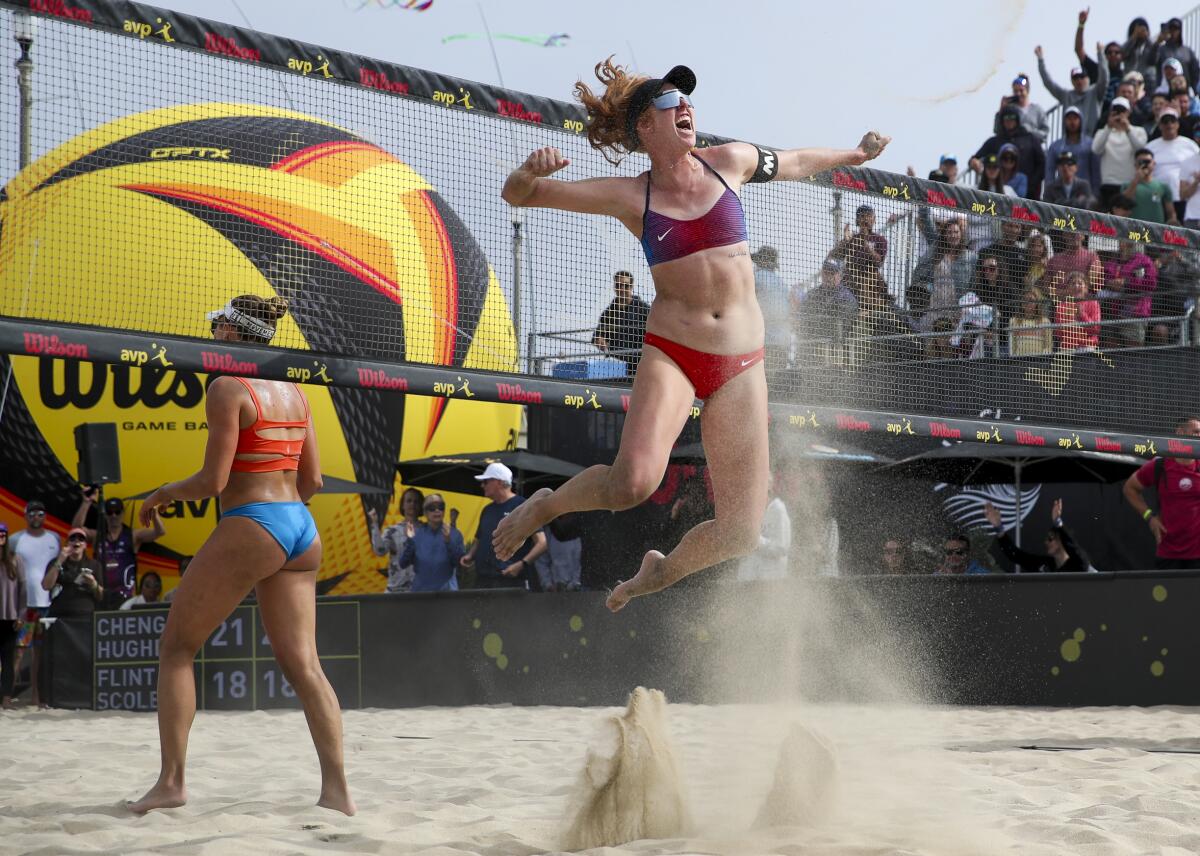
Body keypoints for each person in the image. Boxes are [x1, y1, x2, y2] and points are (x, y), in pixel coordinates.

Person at [495, 60, 889, 611]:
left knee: (741, 534)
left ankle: (661, 572)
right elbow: (521, 196)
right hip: (674, 354)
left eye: (687, 100)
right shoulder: (632, 196)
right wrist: (527, 172)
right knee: (630, 484)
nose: (684, 108)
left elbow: (797, 161)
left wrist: (855, 156)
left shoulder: (730, 161)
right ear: (644, 129)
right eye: (668, 103)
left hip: (742, 363)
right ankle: (545, 505)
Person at [129, 294, 353, 815]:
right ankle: (338, 792)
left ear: (234, 333)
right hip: (301, 526)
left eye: (220, 327)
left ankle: (171, 783)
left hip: (255, 522)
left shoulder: (228, 386)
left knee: (177, 650)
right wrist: (281, 514)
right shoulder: (296, 390)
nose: (213, 335)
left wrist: (163, 493)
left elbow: (213, 481)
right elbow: (313, 480)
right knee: (306, 667)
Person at [1123, 416, 1200, 569]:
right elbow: (1129, 488)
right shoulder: (1160, 465)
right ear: (1180, 432)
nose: (1199, 436)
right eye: (1196, 432)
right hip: (1168, 554)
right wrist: (1149, 517)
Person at [72, 489, 166, 611]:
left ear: (122, 513)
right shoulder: (97, 536)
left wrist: (154, 513)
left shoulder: (133, 536)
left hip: (125, 597)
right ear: (105, 514)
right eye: (110, 512)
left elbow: (160, 532)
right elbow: (76, 529)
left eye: (117, 512)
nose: (114, 516)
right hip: (100, 594)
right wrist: (86, 502)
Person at [460, 462, 547, 589]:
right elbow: (479, 539)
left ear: (499, 482)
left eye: (486, 481)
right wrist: (470, 555)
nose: (482, 485)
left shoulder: (522, 505)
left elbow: (542, 543)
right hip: (483, 580)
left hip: (510, 581)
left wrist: (521, 564)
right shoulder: (487, 509)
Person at [10, 500, 60, 709]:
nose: (36, 517)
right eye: (32, 514)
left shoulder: (54, 539)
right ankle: (6, 695)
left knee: (39, 652)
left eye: (40, 514)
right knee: (19, 650)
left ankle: (36, 697)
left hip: (46, 604)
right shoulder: (15, 540)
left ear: (45, 516)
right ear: (25, 516)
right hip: (24, 605)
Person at [984, 499, 1089, 572]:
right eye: (1046, 539)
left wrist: (1058, 523)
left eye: (1050, 538)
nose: (1046, 542)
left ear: (1062, 539)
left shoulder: (1078, 563)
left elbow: (1074, 549)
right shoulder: (1046, 564)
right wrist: (998, 526)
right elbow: (1016, 555)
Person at [1037, 43, 1109, 135]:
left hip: (1092, 141)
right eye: (1076, 78)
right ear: (1072, 81)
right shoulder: (1066, 95)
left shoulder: (1095, 92)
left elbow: (1104, 78)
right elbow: (1048, 82)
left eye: (1082, 77)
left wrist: (1101, 54)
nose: (1079, 81)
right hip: (1070, 143)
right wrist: (1040, 60)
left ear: (1088, 79)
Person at [399, 494, 464, 592]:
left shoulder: (455, 534)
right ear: (425, 512)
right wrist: (410, 541)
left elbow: (460, 564)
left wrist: (448, 542)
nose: (437, 510)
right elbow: (403, 563)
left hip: (446, 596)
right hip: (420, 595)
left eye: (440, 507)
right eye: (432, 507)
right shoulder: (416, 534)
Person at [592, 270, 651, 377]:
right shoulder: (608, 313)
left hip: (639, 365)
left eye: (626, 286)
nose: (622, 289)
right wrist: (599, 340)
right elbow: (598, 335)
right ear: (615, 287)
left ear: (632, 287)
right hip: (616, 367)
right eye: (619, 285)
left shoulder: (644, 310)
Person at [1093, 96, 1148, 208]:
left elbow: (1140, 149)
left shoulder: (1138, 131)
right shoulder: (1102, 132)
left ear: (1128, 112)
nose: (1119, 114)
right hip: (1109, 184)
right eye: (1116, 111)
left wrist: (1127, 128)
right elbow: (1096, 149)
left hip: (1130, 184)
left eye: (1122, 111)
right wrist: (1108, 127)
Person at [735, 474, 791, 581]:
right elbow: (739, 550)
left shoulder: (778, 510)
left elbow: (782, 547)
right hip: (746, 580)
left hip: (769, 582)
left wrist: (756, 540)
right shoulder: (748, 511)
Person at [1102, 239, 1156, 347]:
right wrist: (1109, 283)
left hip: (1135, 312)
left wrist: (1126, 283)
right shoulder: (1113, 261)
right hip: (1112, 312)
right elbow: (1102, 278)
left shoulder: (1144, 261)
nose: (1119, 242)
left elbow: (1151, 284)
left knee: (1132, 353)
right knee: (1110, 348)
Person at [1146, 109, 1199, 221]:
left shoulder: (1190, 145)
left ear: (1177, 124)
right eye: (1165, 122)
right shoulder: (1151, 147)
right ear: (1160, 125)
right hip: (1159, 197)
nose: (1169, 124)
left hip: (1184, 196)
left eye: (1172, 121)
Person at [368, 487, 423, 593]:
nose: (412, 504)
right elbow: (380, 551)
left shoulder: (427, 530)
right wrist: (374, 524)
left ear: (421, 506)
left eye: (416, 501)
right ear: (402, 505)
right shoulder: (392, 530)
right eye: (409, 501)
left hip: (419, 591)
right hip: (395, 590)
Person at [45, 528, 104, 617]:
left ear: (85, 545)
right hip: (60, 617)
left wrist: (93, 584)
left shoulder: (94, 565)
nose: (77, 541)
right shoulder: (56, 562)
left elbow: (101, 596)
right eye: (72, 539)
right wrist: (60, 561)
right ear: (67, 543)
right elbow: (46, 586)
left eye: (81, 539)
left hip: (85, 617)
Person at [750, 245, 791, 375]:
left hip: (763, 343)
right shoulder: (782, 283)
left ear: (763, 261)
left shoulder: (756, 278)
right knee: (776, 385)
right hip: (783, 342)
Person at [1045, 106, 1101, 192]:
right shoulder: (1055, 146)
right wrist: (1049, 194)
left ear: (1081, 120)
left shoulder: (1091, 144)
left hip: (1085, 194)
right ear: (1064, 122)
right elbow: (1049, 172)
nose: (1072, 122)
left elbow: (1096, 172)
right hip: (1062, 194)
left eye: (1075, 118)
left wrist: (1096, 194)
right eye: (1069, 119)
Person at [1123, 148, 1178, 224]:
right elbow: (1123, 204)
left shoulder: (1162, 186)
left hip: (1156, 231)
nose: (1144, 165)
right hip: (1134, 230)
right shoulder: (1127, 185)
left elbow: (1170, 212)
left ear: (1154, 163)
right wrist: (1136, 180)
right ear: (1135, 165)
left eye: (1147, 161)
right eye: (1141, 162)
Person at [992, 73, 1050, 144]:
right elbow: (997, 130)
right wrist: (1002, 109)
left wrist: (1029, 131)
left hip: (1032, 149)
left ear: (1027, 91)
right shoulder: (1009, 110)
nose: (1018, 94)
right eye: (1015, 91)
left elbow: (1045, 134)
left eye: (1021, 90)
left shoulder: (1037, 110)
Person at [1054, 270, 1101, 352]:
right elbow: (1058, 333)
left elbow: (1096, 329)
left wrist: (1082, 315)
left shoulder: (1093, 303)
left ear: (1086, 288)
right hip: (1068, 346)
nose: (1076, 286)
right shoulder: (1061, 306)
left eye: (1080, 283)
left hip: (1087, 346)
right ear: (1068, 288)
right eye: (1073, 283)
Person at [0, 523, 19, 709]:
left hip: (10, 617)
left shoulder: (15, 559)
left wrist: (21, 615)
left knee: (8, 659)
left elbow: (23, 588)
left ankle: (6, 697)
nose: (0, 537)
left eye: (3, 534)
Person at [1009, 289, 1055, 356]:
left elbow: (1048, 346)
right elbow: (1012, 347)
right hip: (1019, 361)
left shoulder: (1045, 321)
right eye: (1025, 300)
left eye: (1031, 300)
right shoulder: (1014, 321)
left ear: (1037, 303)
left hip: (1038, 361)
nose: (1027, 303)